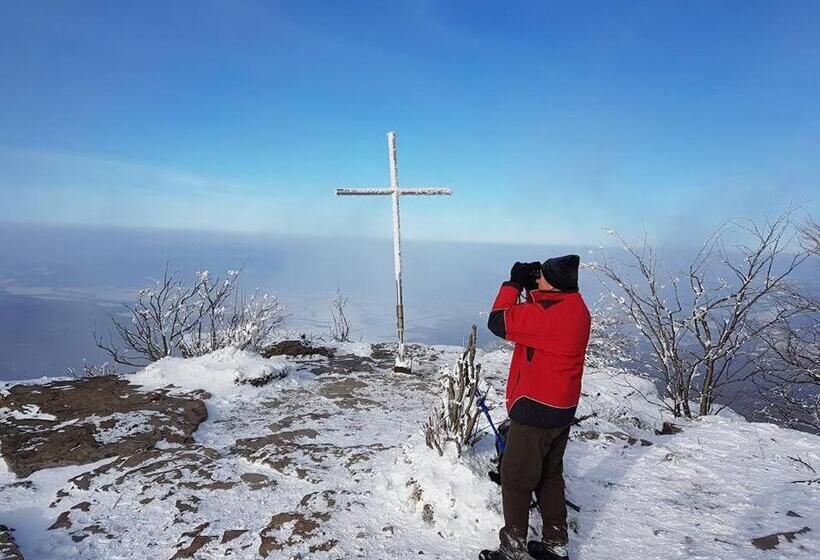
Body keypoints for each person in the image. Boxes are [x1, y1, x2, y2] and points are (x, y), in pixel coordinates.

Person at [480, 255, 591, 560]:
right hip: (561, 409)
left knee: (515, 478)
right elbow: (542, 312)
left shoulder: (550, 316)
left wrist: (514, 284)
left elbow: (498, 321)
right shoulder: (576, 308)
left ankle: (512, 548)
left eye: (541, 276)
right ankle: (556, 545)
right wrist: (534, 288)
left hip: (536, 411)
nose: (537, 279)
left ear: (554, 284)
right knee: (549, 475)